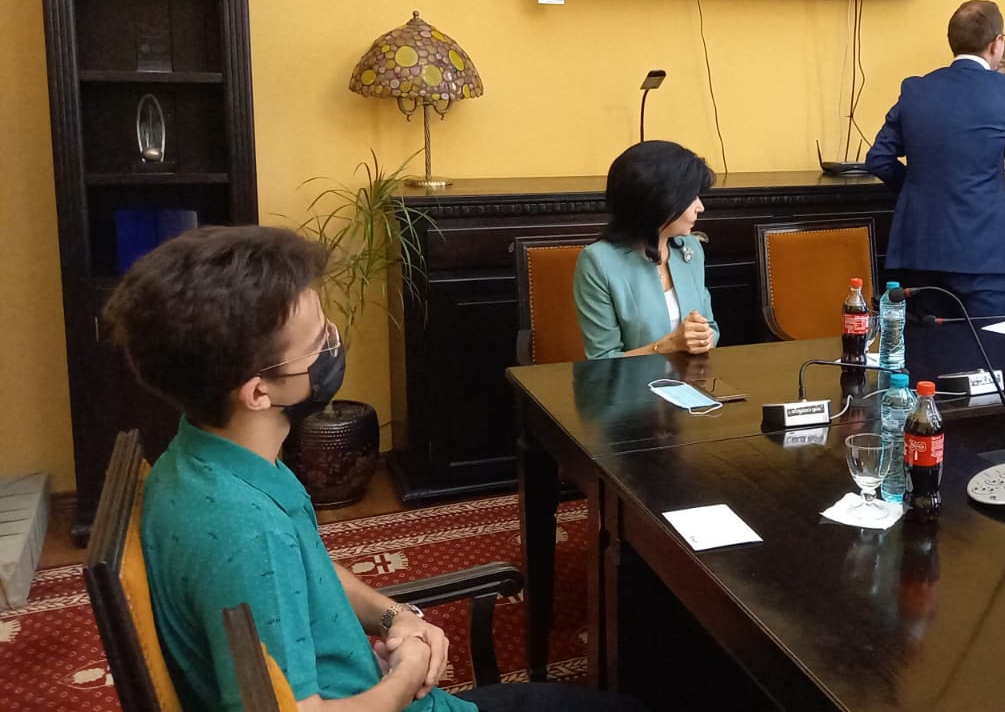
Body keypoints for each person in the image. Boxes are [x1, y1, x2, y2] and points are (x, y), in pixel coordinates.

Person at [102, 226, 641, 711]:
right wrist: (406, 673)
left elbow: (309, 571)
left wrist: (395, 617)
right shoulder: (247, 534)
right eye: (319, 342)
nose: (334, 344)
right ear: (258, 392)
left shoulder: (200, 458)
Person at [865, 0, 1005, 319]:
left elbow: (878, 159)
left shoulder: (916, 89)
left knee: (929, 346)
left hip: (920, 252)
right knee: (991, 346)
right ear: (996, 43)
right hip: (984, 256)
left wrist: (916, 188)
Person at [574, 140, 719, 359]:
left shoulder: (690, 249)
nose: (701, 207)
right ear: (660, 199)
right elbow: (602, 360)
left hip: (694, 377)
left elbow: (711, 327)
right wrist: (668, 346)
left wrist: (705, 338)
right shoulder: (598, 262)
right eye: (691, 197)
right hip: (633, 381)